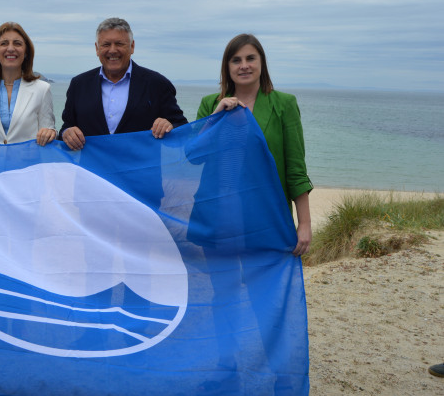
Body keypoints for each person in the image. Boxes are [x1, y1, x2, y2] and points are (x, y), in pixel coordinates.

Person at [197, 33, 313, 256]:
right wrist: (215, 116)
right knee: (222, 288)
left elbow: (296, 170)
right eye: (236, 60)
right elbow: (194, 156)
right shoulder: (210, 103)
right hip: (219, 216)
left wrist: (305, 224)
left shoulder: (284, 104)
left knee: (267, 290)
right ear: (227, 66)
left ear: (262, 63)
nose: (244, 66)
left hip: (268, 216)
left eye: (250, 58)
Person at [59, 17, 187, 150]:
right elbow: (67, 127)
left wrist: (169, 125)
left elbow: (182, 128)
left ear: (132, 47)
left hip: (141, 170)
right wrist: (66, 133)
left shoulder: (157, 84)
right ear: (97, 48)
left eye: (119, 44)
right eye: (106, 44)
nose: (113, 50)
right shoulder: (79, 85)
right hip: (91, 170)